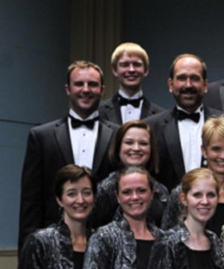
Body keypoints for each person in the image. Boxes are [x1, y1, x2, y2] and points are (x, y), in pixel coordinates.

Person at [18, 61, 117, 246]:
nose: (85, 89)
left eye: (92, 84)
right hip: (52, 244)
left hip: (107, 243)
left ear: (102, 90)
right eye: (79, 84)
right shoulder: (41, 137)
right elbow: (31, 202)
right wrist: (27, 253)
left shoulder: (118, 136)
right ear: (67, 89)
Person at [144, 54, 224, 190]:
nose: (188, 85)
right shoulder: (151, 128)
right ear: (171, 85)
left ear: (205, 85)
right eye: (181, 78)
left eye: (195, 78)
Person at [161, 116, 224, 234]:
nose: (223, 156)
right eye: (216, 149)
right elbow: (165, 238)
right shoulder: (183, 192)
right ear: (204, 151)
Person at [90, 120, 168, 230]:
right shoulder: (104, 190)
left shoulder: (161, 190)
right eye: (129, 142)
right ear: (118, 147)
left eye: (143, 143)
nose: (136, 148)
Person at [99, 42, 165, 124]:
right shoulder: (98, 111)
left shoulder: (160, 115)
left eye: (137, 64)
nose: (131, 70)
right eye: (124, 65)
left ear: (146, 70)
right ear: (115, 70)